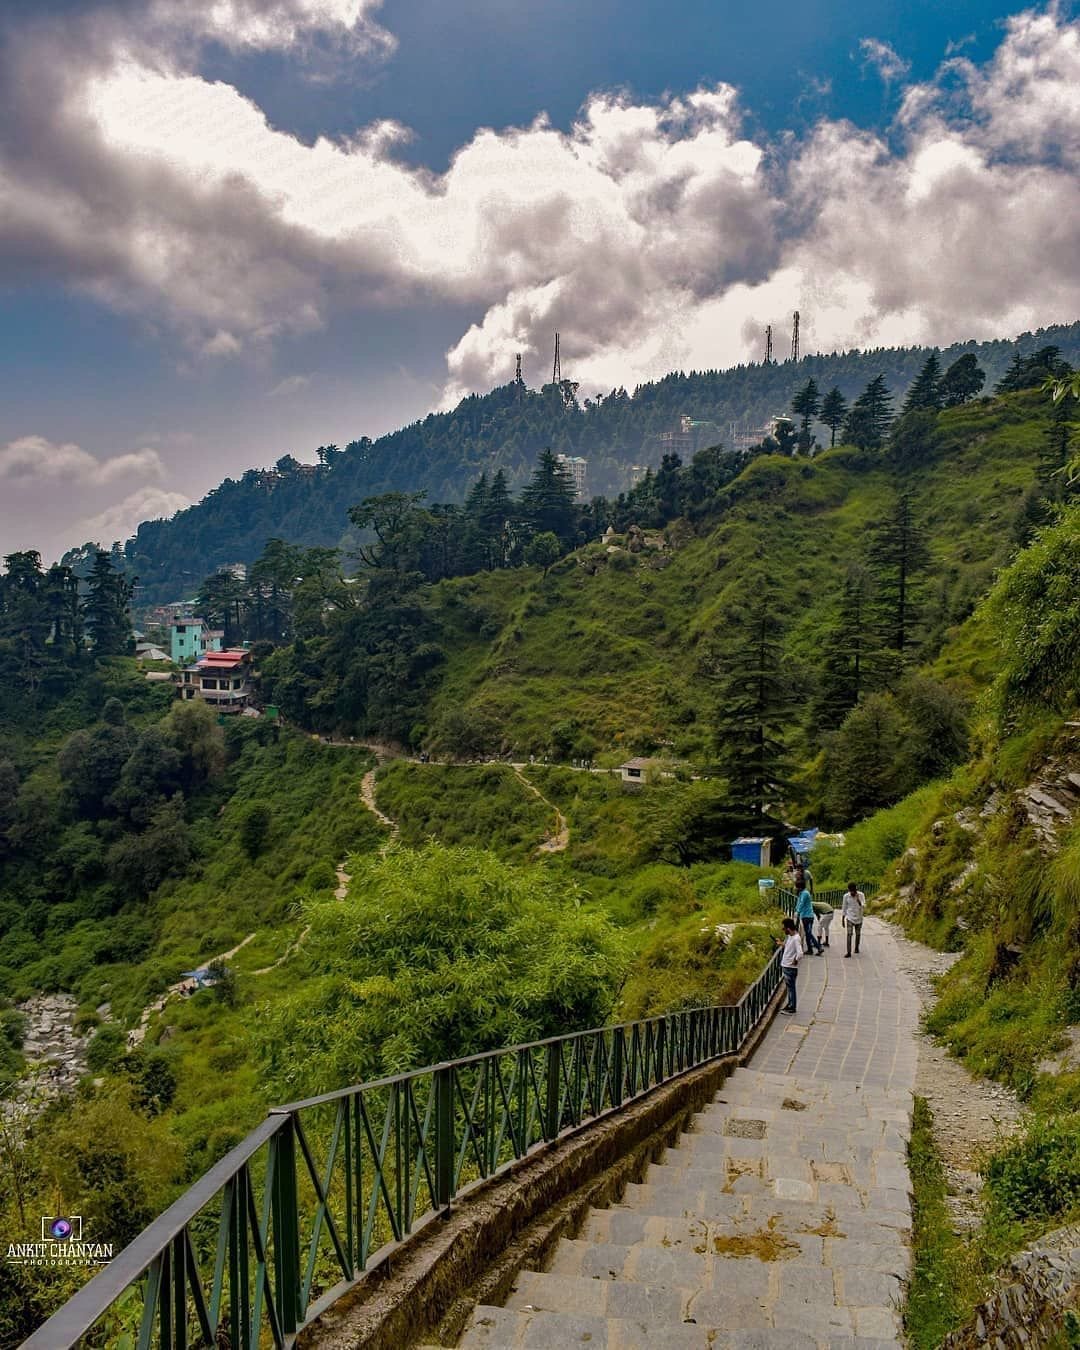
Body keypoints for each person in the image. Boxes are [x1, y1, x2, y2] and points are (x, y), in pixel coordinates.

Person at [777, 918, 801, 1014]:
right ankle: (790, 1004)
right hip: (786, 966)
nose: (783, 930)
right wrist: (781, 944)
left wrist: (795, 960)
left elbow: (800, 953)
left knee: (791, 988)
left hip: (789, 967)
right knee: (789, 988)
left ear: (788, 928)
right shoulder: (790, 937)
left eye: (784, 928)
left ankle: (792, 1007)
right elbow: (788, 947)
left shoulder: (796, 938)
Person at [795, 882, 824, 955]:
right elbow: (799, 903)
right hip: (804, 916)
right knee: (807, 934)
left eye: (796, 887)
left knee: (808, 933)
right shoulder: (802, 893)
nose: (795, 889)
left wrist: (797, 912)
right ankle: (810, 949)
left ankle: (819, 947)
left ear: (800, 887)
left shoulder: (805, 893)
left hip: (808, 916)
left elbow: (801, 903)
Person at [842, 881, 866, 956]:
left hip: (859, 917)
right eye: (851, 891)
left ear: (856, 889)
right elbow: (844, 907)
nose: (852, 892)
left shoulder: (861, 895)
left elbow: (864, 906)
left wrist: (858, 900)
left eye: (854, 891)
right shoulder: (846, 896)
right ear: (849, 890)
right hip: (850, 917)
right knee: (849, 934)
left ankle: (856, 947)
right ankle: (848, 952)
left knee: (858, 934)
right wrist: (842, 918)